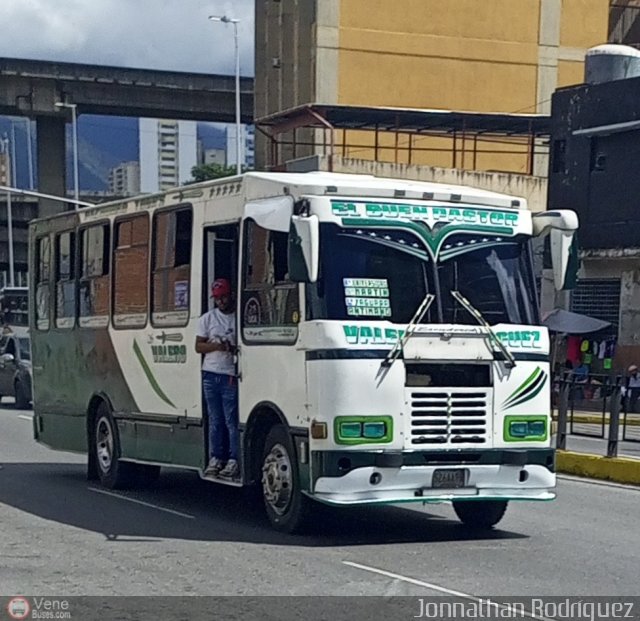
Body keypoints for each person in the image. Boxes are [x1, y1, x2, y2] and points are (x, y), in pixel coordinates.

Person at [195, 278, 239, 479]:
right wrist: (216, 346)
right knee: (215, 419)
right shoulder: (207, 319)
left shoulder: (237, 319)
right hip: (210, 374)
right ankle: (216, 458)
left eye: (223, 297)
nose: (221, 301)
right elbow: (198, 346)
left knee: (231, 419)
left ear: (231, 296)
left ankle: (233, 459)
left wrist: (230, 347)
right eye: (217, 298)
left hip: (230, 374)